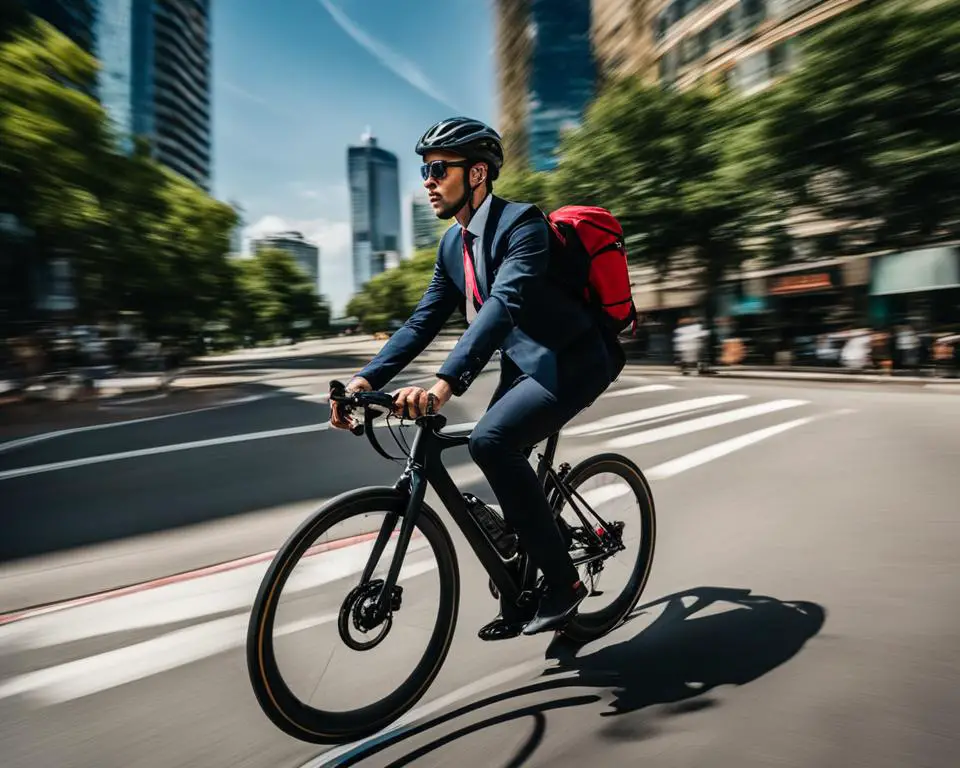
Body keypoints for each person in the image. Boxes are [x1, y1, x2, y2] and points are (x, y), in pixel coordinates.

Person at [330, 116, 625, 640]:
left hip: (573, 358)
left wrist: (444, 384)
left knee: (493, 441)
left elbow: (504, 306)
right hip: (525, 361)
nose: (427, 180)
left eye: (438, 168)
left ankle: (562, 586)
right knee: (498, 448)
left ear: (479, 173)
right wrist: (362, 379)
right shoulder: (452, 245)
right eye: (424, 169)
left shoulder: (523, 226)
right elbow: (424, 320)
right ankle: (523, 569)